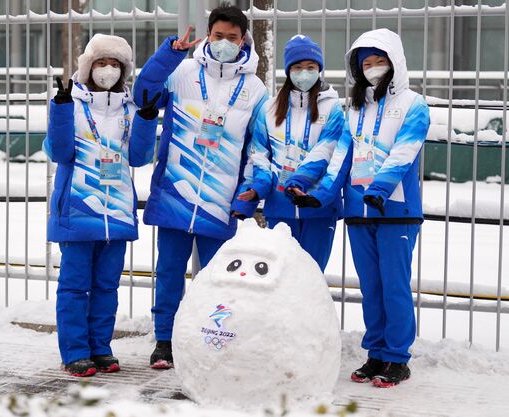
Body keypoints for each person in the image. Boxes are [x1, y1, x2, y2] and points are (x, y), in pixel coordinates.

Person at [286, 28, 430, 387]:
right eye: (366, 63)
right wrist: (317, 193)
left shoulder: (414, 105)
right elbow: (337, 157)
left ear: (394, 62)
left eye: (380, 61)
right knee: (371, 287)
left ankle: (398, 357)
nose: (374, 68)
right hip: (358, 213)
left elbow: (404, 152)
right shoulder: (352, 110)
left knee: (394, 286)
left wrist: (380, 188)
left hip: (396, 210)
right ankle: (376, 352)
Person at [133, 2, 267, 369]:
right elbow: (143, 95)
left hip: (220, 200)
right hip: (177, 192)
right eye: (219, 35)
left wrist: (249, 189)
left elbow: (259, 145)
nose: (225, 42)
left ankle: (210, 341)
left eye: (233, 38)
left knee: (216, 278)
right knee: (170, 272)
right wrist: (168, 55)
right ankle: (165, 341)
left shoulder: (255, 89)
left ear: (244, 41)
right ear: (209, 35)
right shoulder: (183, 71)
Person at [44, 34, 160, 377]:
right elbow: (59, 153)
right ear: (87, 67)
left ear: (123, 71)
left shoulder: (129, 108)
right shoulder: (72, 104)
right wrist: (61, 111)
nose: (107, 70)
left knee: (107, 286)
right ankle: (75, 351)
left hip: (118, 212)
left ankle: (100, 347)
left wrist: (147, 119)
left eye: (114, 64)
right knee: (75, 285)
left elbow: (139, 157)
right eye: (100, 63)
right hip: (79, 212)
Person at [234, 35, 344, 271]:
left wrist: (300, 181)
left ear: (319, 70)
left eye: (311, 67)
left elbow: (327, 151)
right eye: (297, 67)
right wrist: (258, 188)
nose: (304, 73)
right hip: (280, 205)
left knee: (311, 278)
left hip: (318, 207)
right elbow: (259, 154)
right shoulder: (269, 108)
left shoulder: (333, 107)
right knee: (280, 279)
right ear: (288, 70)